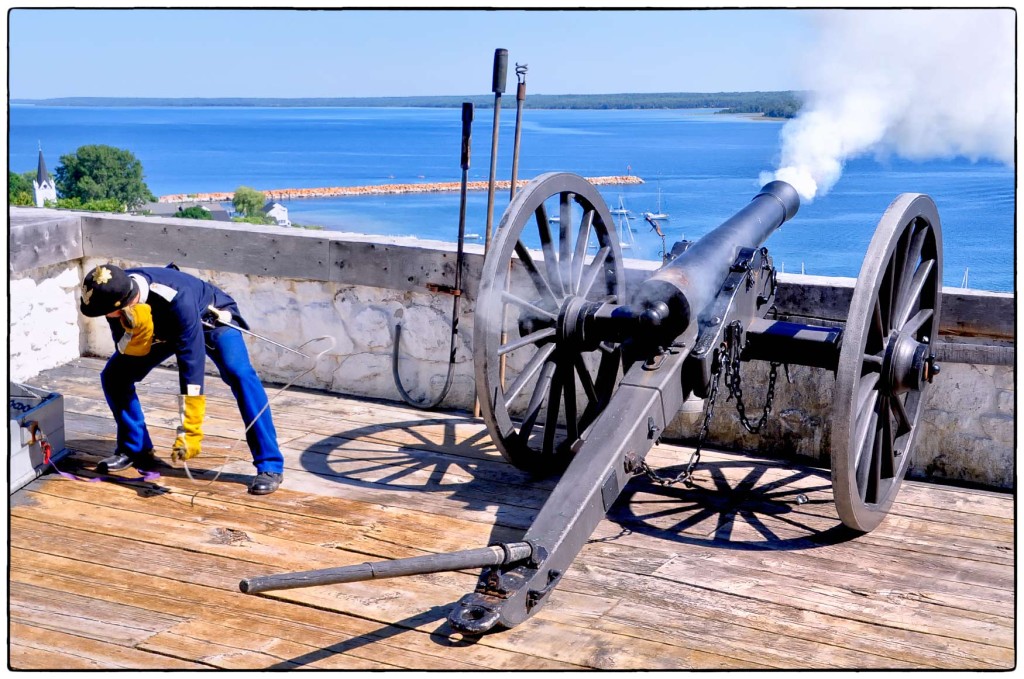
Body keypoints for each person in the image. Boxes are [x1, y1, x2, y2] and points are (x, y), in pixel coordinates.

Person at [79, 263, 284, 495]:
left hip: (209, 320)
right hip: (157, 328)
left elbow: (192, 362)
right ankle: (135, 449)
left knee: (241, 375)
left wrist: (190, 427)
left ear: (129, 300)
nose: (106, 317)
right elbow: (122, 347)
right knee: (115, 376)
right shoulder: (112, 290)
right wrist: (137, 333)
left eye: (108, 313)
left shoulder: (177, 299)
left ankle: (270, 464)